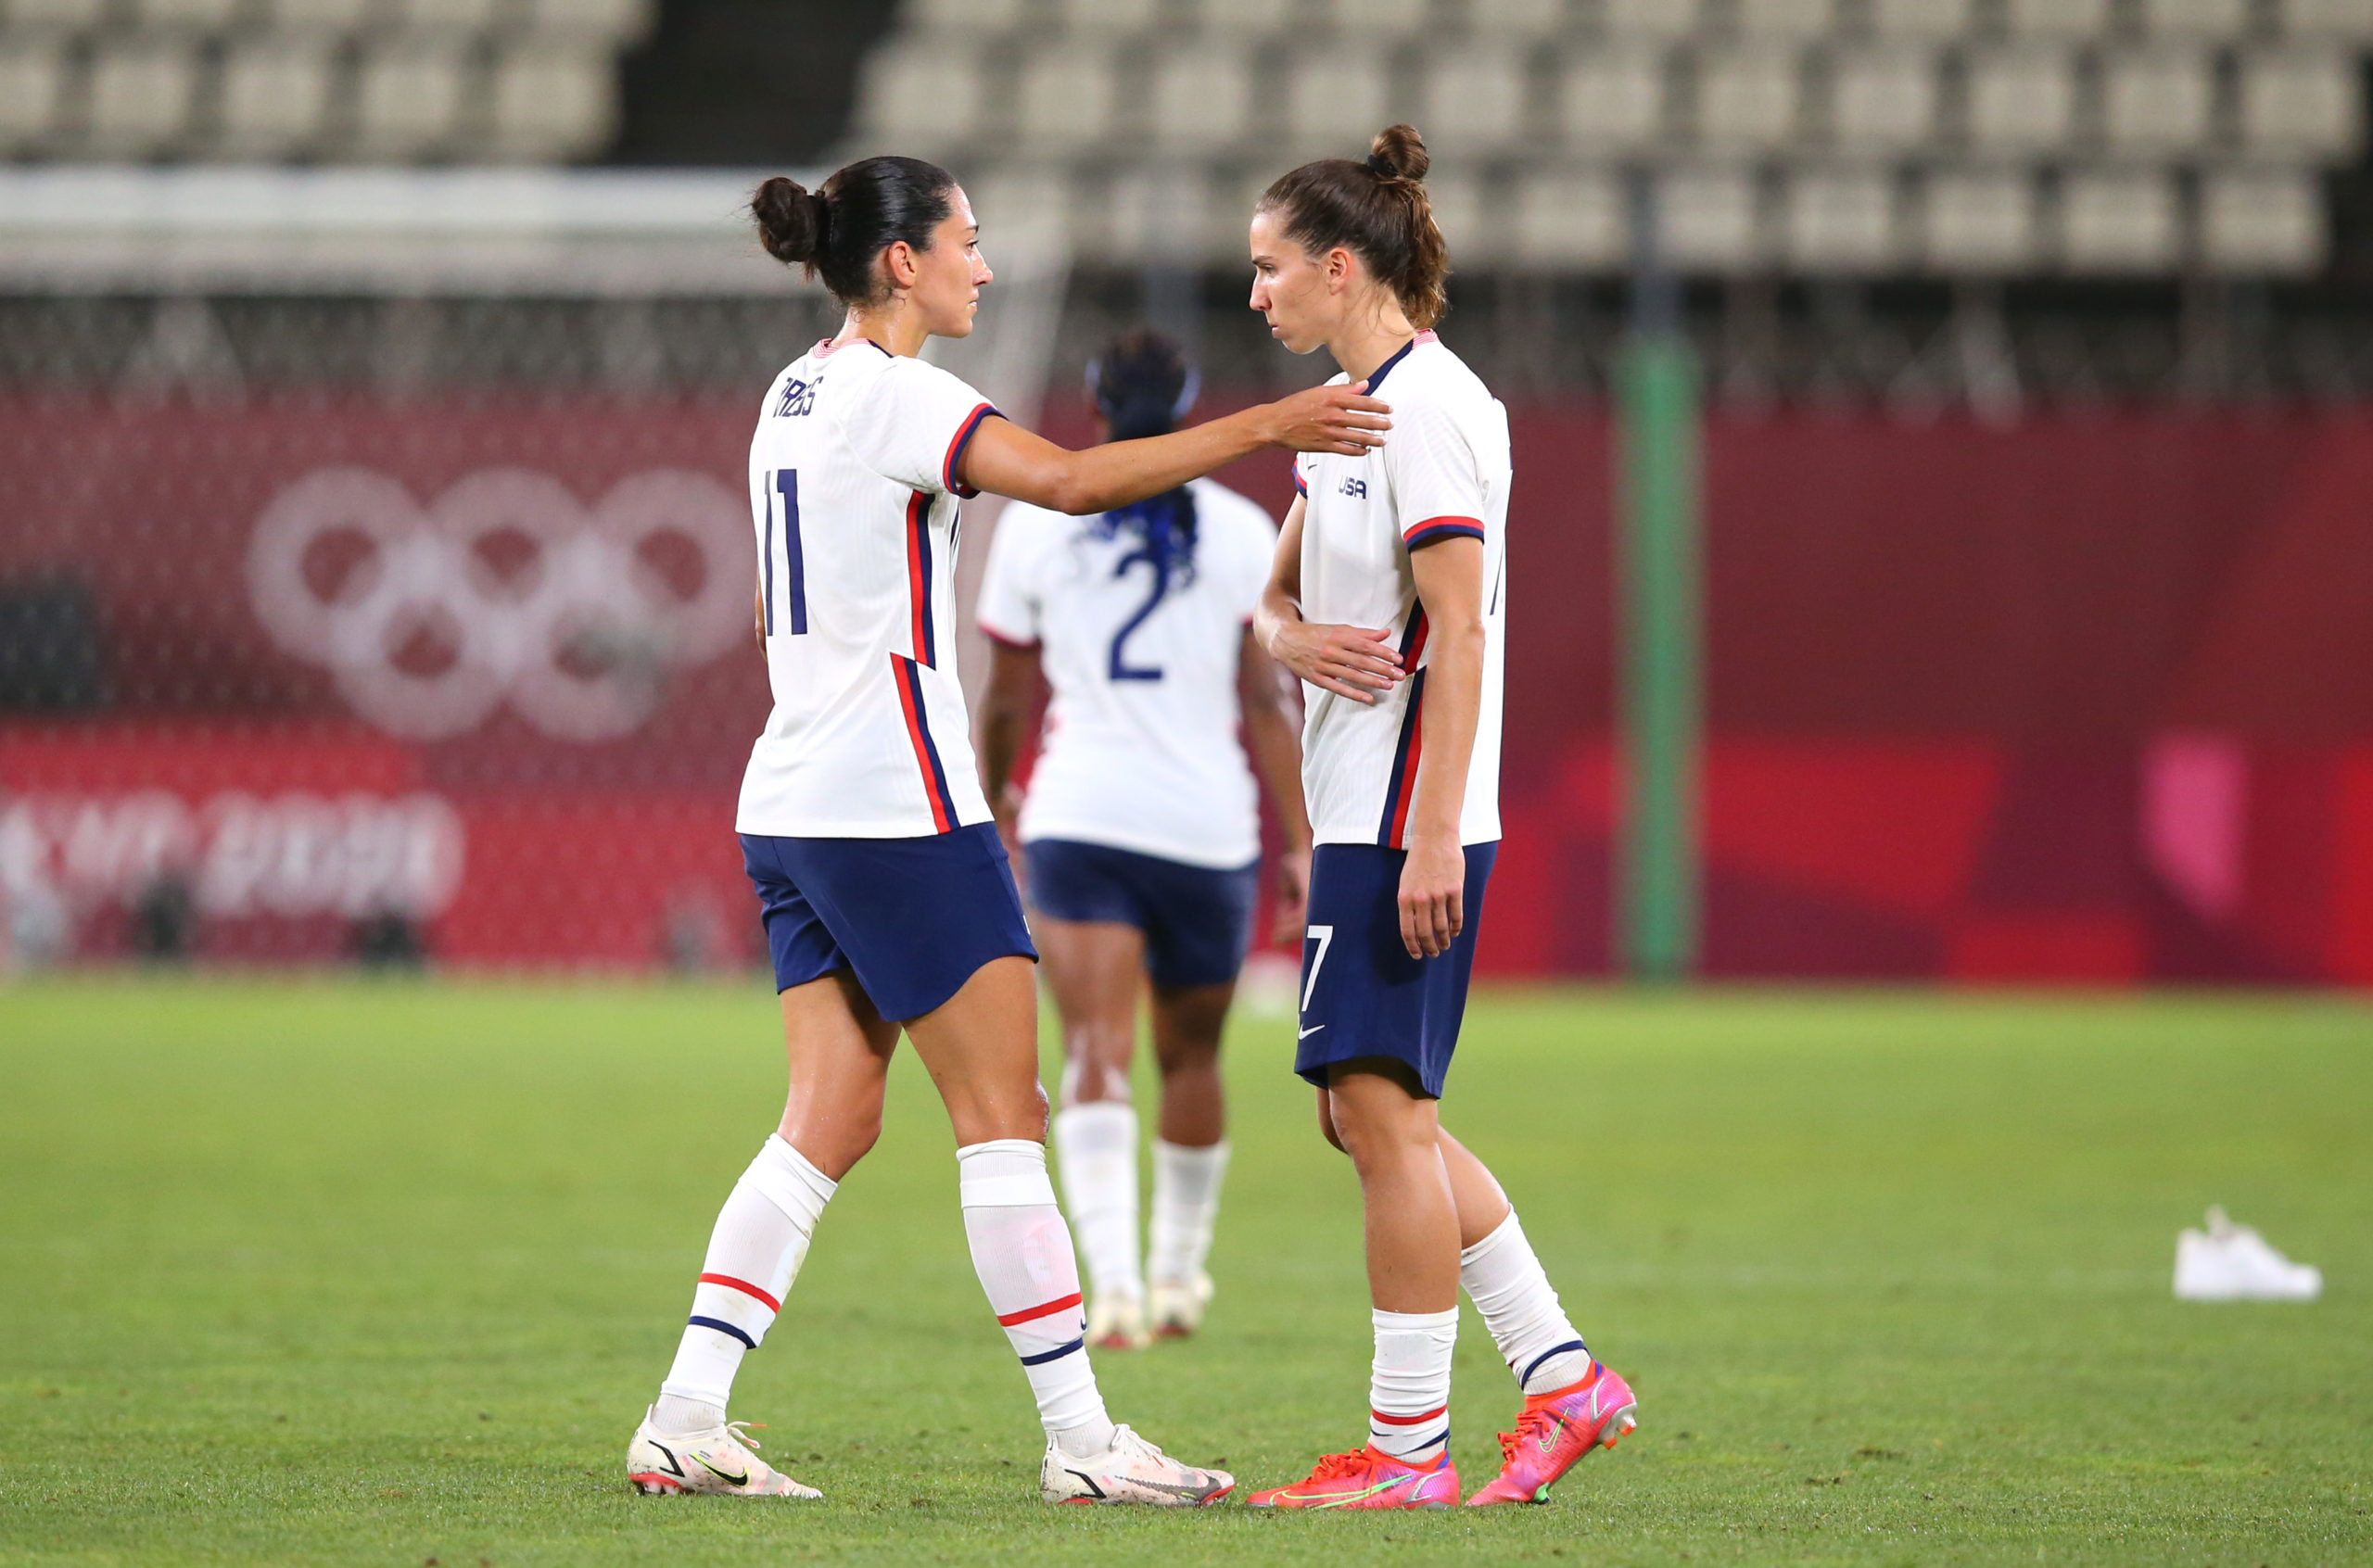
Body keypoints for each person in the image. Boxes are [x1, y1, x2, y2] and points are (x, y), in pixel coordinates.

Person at [621, 154, 1390, 1507]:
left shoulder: (789, 391)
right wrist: (1266, 425)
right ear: (902, 260)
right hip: (893, 802)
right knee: (1004, 1114)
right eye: (968, 242)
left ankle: (688, 1413)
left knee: (831, 1115)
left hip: (792, 794)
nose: (986, 265)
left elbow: (771, 611)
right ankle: (1084, 1440)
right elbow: (1079, 483)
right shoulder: (900, 394)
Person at [1237, 126, 1639, 1511]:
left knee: (1378, 1115)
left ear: (1340, 267)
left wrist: (1426, 831)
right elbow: (1270, 607)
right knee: (1369, 1117)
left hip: (1404, 813)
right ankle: (1563, 1375)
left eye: (1271, 266)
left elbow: (1460, 632)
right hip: (1358, 803)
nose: (1257, 294)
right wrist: (1286, 642)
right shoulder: (1344, 416)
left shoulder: (1431, 410)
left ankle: (1408, 1450)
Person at [975, 329, 1312, 1352]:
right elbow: (1267, 701)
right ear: (1190, 403)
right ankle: (1178, 1279)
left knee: (1091, 1050)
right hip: (1206, 826)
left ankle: (1110, 1290)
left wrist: (993, 796)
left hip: (1079, 817)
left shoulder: (1038, 527)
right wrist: (1300, 840)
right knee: (1193, 1056)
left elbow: (1004, 694)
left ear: (1095, 407)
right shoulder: (1242, 529)